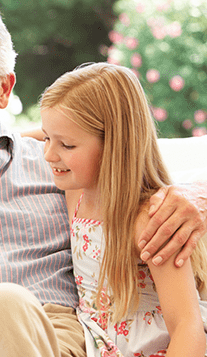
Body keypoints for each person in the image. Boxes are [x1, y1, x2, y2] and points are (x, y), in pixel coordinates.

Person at [0, 1, 207, 356]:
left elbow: (127, 159)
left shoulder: (62, 168)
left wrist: (194, 196)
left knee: (8, 307)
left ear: (3, 89)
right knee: (2, 303)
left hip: (58, 335)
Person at [39, 62, 207, 356]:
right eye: (46, 138)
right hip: (98, 343)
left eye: (66, 145)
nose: (49, 154)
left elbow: (186, 324)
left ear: (114, 146)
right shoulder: (76, 192)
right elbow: (13, 136)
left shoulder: (149, 221)